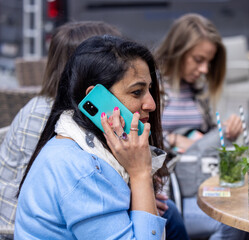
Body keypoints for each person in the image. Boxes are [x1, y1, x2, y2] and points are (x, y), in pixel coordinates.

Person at [1, 21, 188, 240]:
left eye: (150, 90)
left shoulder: (84, 146)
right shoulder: (81, 170)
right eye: (137, 92)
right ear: (98, 99)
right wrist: (140, 174)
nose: (151, 104)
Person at [156, 13, 249, 240]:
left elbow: (204, 140)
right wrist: (174, 140)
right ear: (178, 51)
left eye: (209, 62)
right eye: (198, 59)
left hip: (202, 180)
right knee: (233, 221)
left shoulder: (198, 90)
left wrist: (225, 132)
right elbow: (138, 134)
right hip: (172, 191)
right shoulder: (153, 87)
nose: (206, 69)